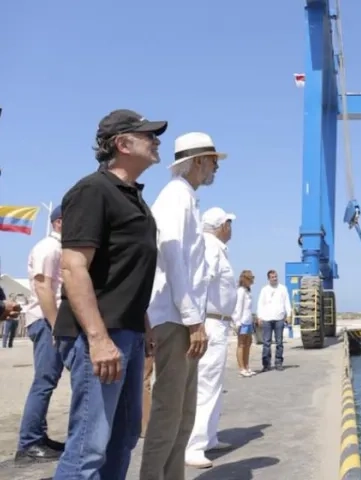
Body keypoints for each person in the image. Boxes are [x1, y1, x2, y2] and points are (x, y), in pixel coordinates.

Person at [53, 109, 166, 479]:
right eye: (148, 135)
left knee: (124, 438)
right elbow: (72, 267)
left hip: (129, 332)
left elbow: (128, 272)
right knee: (89, 446)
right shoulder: (92, 190)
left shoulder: (134, 198)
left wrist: (145, 325)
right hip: (100, 336)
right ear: (122, 143)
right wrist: (99, 339)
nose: (156, 141)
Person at [140, 132, 227, 480]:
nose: (216, 168)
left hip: (183, 318)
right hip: (175, 319)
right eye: (213, 161)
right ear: (198, 162)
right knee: (168, 411)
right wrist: (194, 321)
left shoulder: (186, 197)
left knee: (184, 414)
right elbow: (174, 257)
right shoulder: (176, 197)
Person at [184, 207, 238, 469]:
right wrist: (198, 324)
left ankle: (209, 437)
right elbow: (200, 284)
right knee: (205, 384)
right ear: (222, 225)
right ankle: (194, 446)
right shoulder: (210, 247)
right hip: (211, 323)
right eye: (229, 223)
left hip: (219, 323)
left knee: (214, 384)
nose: (232, 228)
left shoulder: (217, 248)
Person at [15, 206, 65, 464]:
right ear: (59, 222)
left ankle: (38, 437)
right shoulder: (49, 248)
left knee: (48, 380)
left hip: (49, 321)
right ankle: (29, 443)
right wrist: (56, 325)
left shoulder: (58, 248)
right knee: (44, 381)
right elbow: (44, 287)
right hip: (47, 321)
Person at [256, 269, 292, 372]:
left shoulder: (282, 289)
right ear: (268, 279)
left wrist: (288, 315)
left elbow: (287, 303)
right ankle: (266, 364)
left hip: (279, 319)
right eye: (272, 277)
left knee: (279, 342)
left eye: (275, 276)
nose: (274, 278)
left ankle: (278, 362)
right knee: (266, 343)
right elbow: (260, 304)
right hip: (267, 319)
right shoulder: (264, 290)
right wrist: (259, 317)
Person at [233, 270, 256, 377]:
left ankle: (247, 366)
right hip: (242, 321)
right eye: (250, 278)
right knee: (241, 344)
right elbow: (238, 307)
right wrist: (237, 322)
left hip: (248, 321)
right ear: (245, 279)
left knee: (248, 343)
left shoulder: (248, 291)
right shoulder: (241, 291)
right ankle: (241, 368)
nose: (252, 280)